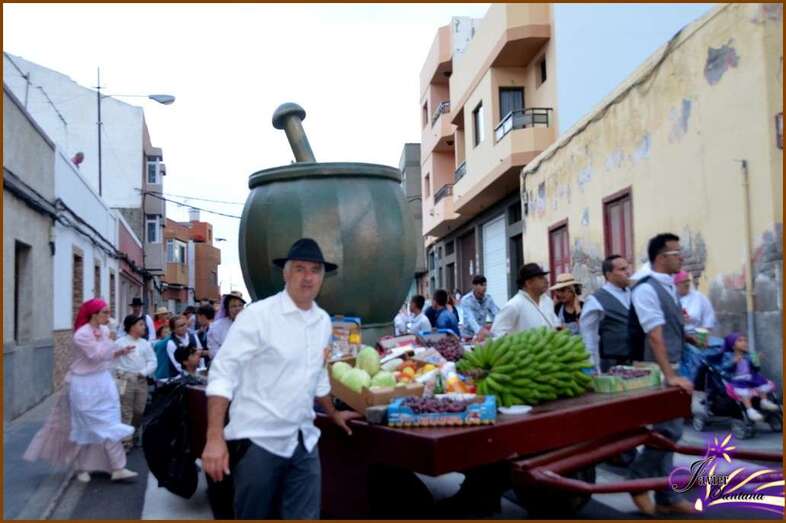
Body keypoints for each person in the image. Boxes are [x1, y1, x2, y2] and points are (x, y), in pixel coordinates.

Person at [202, 238, 360, 519]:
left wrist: (333, 413)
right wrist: (214, 437)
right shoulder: (258, 316)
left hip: (304, 440)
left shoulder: (323, 321)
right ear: (285, 274)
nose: (308, 276)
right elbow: (223, 373)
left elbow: (318, 376)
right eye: (300, 268)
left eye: (315, 270)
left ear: (323, 277)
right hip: (259, 441)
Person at [23, 299, 138, 483]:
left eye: (109, 312)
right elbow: (95, 355)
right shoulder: (81, 335)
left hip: (103, 381)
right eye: (105, 312)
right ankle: (81, 466)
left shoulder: (105, 331)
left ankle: (117, 467)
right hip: (84, 384)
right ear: (94, 314)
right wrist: (111, 339)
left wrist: (120, 351)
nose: (109, 317)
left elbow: (106, 355)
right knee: (84, 427)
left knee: (110, 422)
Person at [628, 233, 694, 515]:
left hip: (674, 365)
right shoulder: (645, 288)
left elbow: (667, 327)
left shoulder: (668, 285)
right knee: (669, 430)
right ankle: (636, 481)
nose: (681, 256)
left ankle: (666, 494)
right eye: (676, 252)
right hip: (655, 370)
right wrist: (670, 376)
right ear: (660, 258)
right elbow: (654, 336)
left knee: (668, 433)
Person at [580, 255, 633, 372]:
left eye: (628, 268)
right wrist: (592, 366)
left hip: (639, 361)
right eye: (622, 269)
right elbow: (588, 335)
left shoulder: (635, 293)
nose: (628, 272)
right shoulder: (595, 300)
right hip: (613, 365)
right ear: (609, 275)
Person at [114, 315, 157, 450]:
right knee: (126, 410)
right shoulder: (120, 343)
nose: (144, 327)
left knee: (139, 410)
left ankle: (133, 431)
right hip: (125, 380)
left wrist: (143, 372)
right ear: (132, 326)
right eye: (141, 324)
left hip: (141, 380)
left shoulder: (145, 343)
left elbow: (152, 361)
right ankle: (126, 441)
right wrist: (120, 375)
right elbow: (112, 361)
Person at [490, 263, 559, 338]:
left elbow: (555, 324)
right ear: (528, 283)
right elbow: (497, 331)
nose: (546, 281)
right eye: (540, 277)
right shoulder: (514, 305)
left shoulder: (547, 301)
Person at [721, 333, 777, 422]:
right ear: (733, 345)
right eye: (740, 341)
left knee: (760, 380)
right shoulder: (728, 356)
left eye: (745, 340)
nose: (744, 343)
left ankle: (764, 401)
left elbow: (756, 369)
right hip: (737, 378)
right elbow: (724, 369)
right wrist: (733, 362)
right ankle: (750, 410)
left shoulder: (748, 355)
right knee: (743, 389)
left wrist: (757, 361)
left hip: (750, 377)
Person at [674, 271, 716, 336]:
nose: (687, 284)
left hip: (697, 335)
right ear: (676, 284)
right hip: (677, 336)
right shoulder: (672, 298)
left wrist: (704, 331)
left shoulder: (698, 297)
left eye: (688, 281)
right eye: (683, 282)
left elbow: (709, 315)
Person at [206, 291, 247, 359]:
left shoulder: (250, 324)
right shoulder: (216, 327)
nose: (238, 309)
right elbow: (213, 351)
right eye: (233, 306)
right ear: (227, 309)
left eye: (240, 305)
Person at [460, 275, 499, 339]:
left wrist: (499, 326)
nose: (484, 287)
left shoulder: (488, 298)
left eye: (485, 285)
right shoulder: (466, 300)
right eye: (481, 285)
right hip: (468, 335)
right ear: (474, 286)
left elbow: (495, 314)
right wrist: (479, 331)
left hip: (482, 335)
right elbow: (470, 319)